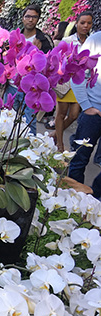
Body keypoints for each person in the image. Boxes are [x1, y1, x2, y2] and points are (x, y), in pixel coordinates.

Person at [4, 4, 53, 136]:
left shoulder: (44, 40)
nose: (30, 20)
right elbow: (5, 59)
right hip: (12, 85)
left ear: (38, 19)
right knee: (4, 119)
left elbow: (51, 65)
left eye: (34, 17)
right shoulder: (12, 36)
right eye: (28, 16)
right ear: (23, 18)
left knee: (29, 124)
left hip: (33, 90)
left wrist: (39, 51)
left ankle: (28, 150)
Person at [52, 11, 93, 151]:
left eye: (89, 23)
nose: (85, 26)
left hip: (80, 82)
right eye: (82, 23)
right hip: (66, 81)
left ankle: (55, 133)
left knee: (74, 115)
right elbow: (55, 58)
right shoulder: (68, 41)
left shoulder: (91, 42)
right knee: (61, 113)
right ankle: (60, 144)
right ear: (76, 24)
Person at [68, 30, 101, 199]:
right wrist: (86, 106)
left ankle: (95, 200)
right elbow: (77, 73)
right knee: (80, 157)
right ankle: (73, 197)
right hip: (94, 111)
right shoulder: (95, 40)